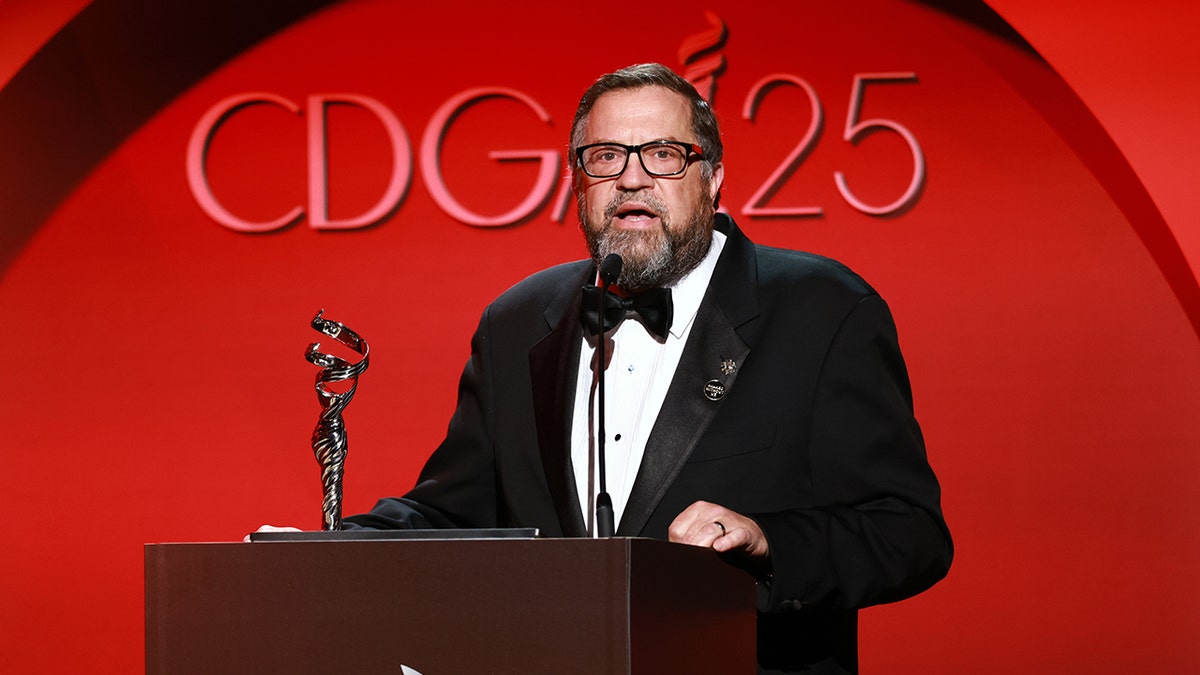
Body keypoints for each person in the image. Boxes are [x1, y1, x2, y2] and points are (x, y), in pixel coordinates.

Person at [259, 63, 952, 674]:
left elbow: (908, 531)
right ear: (578, 183)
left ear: (712, 176)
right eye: (606, 155)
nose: (631, 177)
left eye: (662, 154)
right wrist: (335, 548)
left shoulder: (821, 308)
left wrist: (769, 540)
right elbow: (455, 507)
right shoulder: (518, 320)